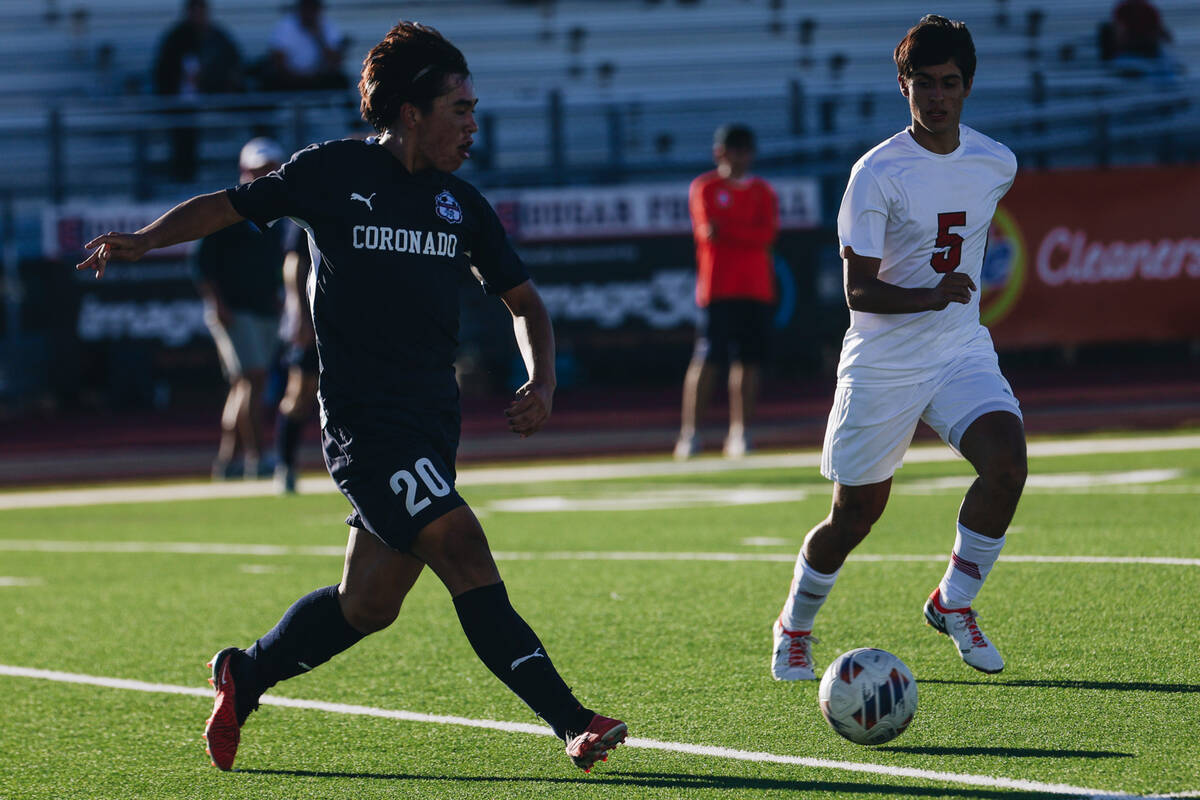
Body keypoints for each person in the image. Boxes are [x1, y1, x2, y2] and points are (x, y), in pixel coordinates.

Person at [77, 21, 626, 773]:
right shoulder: (332, 173)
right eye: (458, 109)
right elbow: (229, 206)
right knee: (462, 546)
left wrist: (545, 378)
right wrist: (145, 238)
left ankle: (247, 673)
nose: (472, 124)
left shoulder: (460, 204)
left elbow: (524, 301)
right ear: (410, 112)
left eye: (473, 108)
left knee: (368, 603)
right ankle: (574, 722)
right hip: (367, 430)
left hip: (433, 424)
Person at [770, 15, 1026, 681]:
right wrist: (932, 292)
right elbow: (859, 292)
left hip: (959, 348)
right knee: (854, 515)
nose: (936, 97)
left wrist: (949, 303)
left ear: (967, 87)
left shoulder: (996, 161)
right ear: (902, 87)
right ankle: (794, 625)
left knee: (1006, 465)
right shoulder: (876, 174)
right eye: (922, 84)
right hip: (884, 359)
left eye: (948, 83)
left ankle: (954, 603)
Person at [674, 124, 779, 460]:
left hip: (755, 288)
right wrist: (742, 231)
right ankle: (690, 433)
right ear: (721, 153)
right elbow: (710, 231)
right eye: (734, 150)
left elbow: (765, 235)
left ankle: (740, 431)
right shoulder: (705, 187)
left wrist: (731, 229)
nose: (740, 158)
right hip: (718, 288)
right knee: (707, 360)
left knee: (748, 363)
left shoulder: (763, 191)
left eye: (745, 150)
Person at [192, 137, 287, 480]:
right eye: (260, 169)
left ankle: (226, 459)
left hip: (262, 307)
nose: (266, 175)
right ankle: (257, 457)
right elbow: (202, 264)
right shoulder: (230, 210)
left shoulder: (276, 213)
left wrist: (278, 297)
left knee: (245, 385)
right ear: (245, 171)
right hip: (235, 309)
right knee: (255, 379)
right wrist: (216, 303)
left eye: (271, 168)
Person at [152, 0, 243, 181]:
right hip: (181, 100)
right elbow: (163, 72)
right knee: (183, 134)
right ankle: (182, 176)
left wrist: (214, 83)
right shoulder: (175, 38)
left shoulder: (217, 36)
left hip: (214, 96)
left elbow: (233, 63)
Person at [272, 225, 318, 494]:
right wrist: (300, 313)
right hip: (316, 315)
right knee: (300, 392)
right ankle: (285, 465)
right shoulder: (315, 195)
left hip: (351, 318)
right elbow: (294, 262)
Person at [263, 0, 350, 91]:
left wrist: (318, 36)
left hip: (319, 77)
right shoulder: (286, 26)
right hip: (290, 77)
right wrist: (296, 77)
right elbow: (278, 59)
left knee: (341, 81)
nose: (309, 13)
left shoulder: (327, 26)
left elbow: (335, 61)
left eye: (313, 9)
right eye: (307, 8)